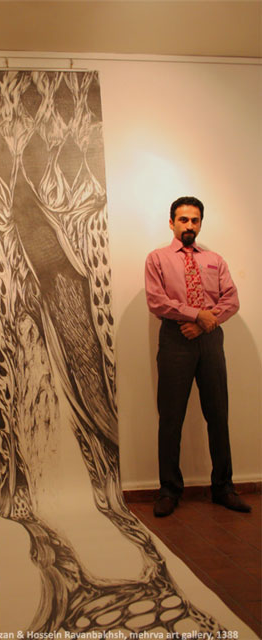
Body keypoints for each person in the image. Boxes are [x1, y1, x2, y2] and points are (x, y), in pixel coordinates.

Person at [145, 196, 251, 517]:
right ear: (171, 223)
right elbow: (156, 301)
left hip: (210, 340)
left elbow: (231, 300)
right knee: (171, 417)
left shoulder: (215, 260)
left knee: (218, 415)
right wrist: (194, 315)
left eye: (194, 220)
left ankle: (224, 487)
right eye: (183, 219)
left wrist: (204, 322)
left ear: (201, 223)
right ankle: (169, 490)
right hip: (175, 339)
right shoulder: (157, 259)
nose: (189, 225)